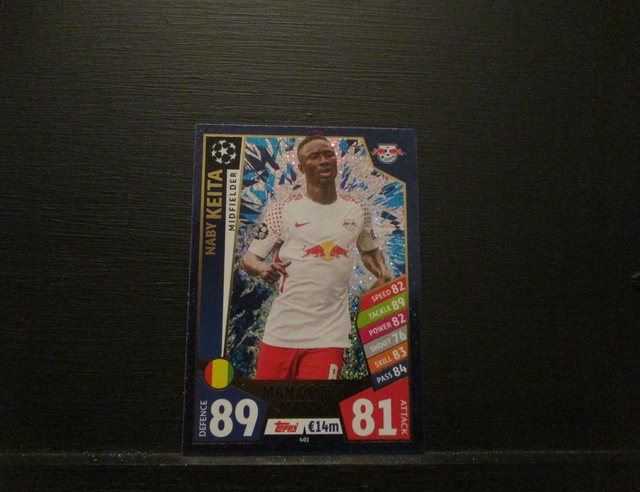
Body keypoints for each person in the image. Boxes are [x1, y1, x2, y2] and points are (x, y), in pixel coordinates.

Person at [241, 135, 391, 380]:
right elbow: (249, 260)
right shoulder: (282, 210)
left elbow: (369, 249)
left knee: (317, 403)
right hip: (281, 333)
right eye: (314, 156)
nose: (323, 160)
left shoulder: (358, 209)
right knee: (268, 402)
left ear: (336, 160)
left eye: (328, 154)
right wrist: (262, 268)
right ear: (301, 168)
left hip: (329, 337)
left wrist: (383, 274)